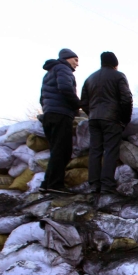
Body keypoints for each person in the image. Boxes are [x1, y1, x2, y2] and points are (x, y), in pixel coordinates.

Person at [80, 51, 133, 194]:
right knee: (110, 150)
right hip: (112, 119)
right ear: (115, 64)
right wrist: (124, 119)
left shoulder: (90, 78)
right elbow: (126, 98)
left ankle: (93, 185)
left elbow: (83, 102)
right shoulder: (119, 76)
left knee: (95, 150)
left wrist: (91, 113)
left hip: (94, 119)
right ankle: (107, 184)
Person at [39, 48, 80, 194]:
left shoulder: (49, 72)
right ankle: (56, 184)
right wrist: (77, 105)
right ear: (67, 58)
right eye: (75, 60)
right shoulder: (63, 69)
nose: (77, 64)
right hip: (61, 114)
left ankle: (46, 183)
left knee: (55, 150)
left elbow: (42, 98)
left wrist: (47, 109)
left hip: (49, 114)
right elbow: (65, 88)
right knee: (62, 150)